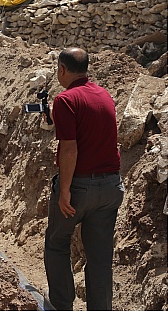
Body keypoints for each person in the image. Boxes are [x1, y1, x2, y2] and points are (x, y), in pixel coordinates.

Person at [44, 47, 124, 310]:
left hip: (79, 187)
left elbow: (69, 148)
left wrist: (65, 190)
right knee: (100, 257)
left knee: (57, 243)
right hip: (111, 186)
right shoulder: (104, 95)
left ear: (62, 70)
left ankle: (61, 304)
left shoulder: (65, 100)